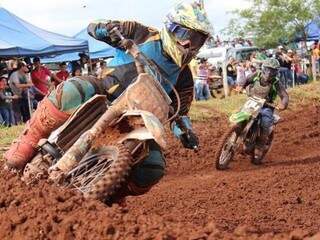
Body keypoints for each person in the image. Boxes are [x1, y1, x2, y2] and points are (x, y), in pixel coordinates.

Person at [5, 1, 212, 203]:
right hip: (106, 92)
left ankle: (112, 194)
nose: (189, 44)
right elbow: (93, 27)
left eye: (198, 40)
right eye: (186, 35)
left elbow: (180, 112)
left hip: (138, 120)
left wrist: (185, 132)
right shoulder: (142, 33)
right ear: (171, 28)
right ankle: (25, 144)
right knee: (71, 90)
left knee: (153, 167)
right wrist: (107, 29)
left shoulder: (184, 78)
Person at [237, 58, 289, 164]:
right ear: (263, 68)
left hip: (266, 106)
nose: (269, 72)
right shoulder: (256, 75)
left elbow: (284, 96)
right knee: (239, 115)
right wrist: (241, 87)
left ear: (276, 72)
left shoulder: (276, 82)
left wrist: (283, 104)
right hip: (252, 102)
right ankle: (234, 134)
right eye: (268, 69)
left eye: (273, 70)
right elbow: (246, 80)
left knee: (265, 123)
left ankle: (260, 146)